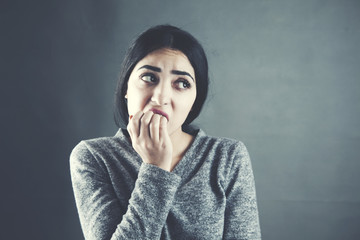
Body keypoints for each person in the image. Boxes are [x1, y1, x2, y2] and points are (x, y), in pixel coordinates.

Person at [70, 24, 261, 240]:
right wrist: (155, 168)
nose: (160, 97)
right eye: (149, 78)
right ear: (126, 87)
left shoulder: (227, 156)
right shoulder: (93, 157)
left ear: (194, 100)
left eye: (181, 83)